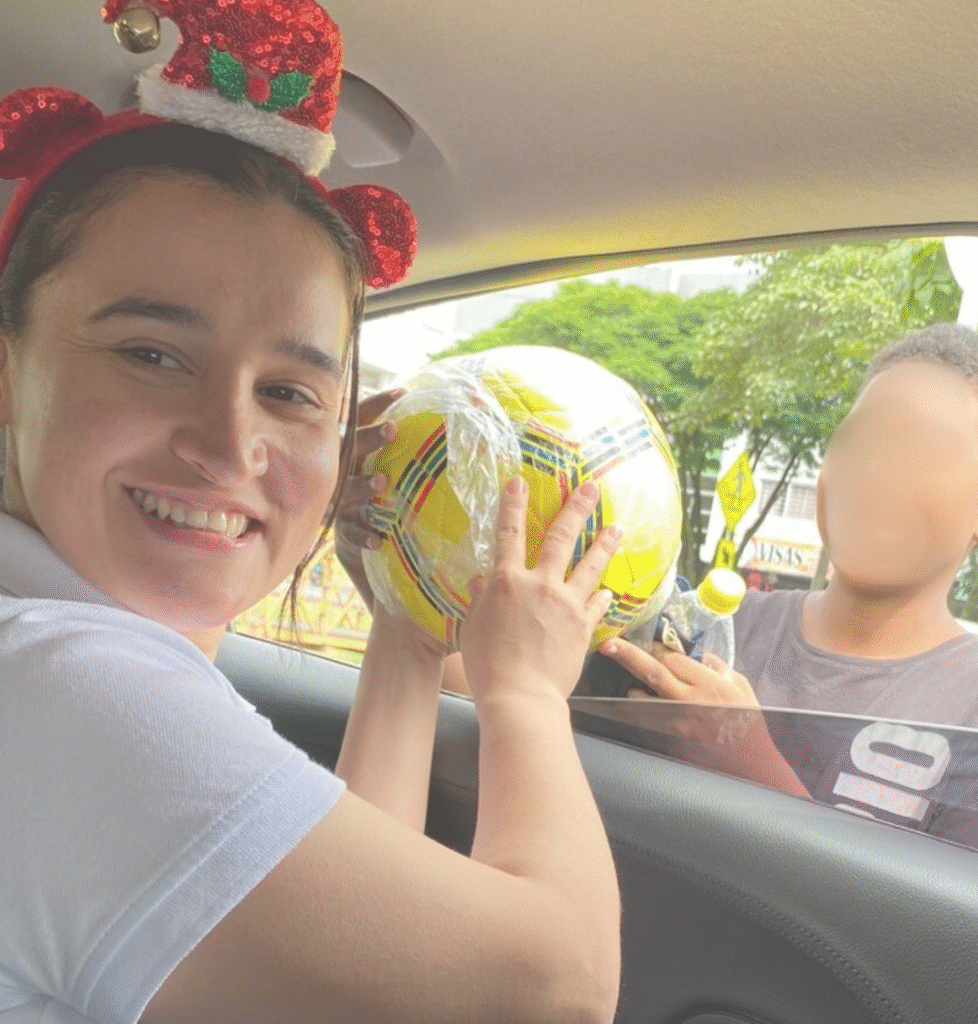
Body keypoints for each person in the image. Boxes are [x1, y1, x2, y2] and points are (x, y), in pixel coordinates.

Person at [0, 4, 622, 1023]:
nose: (230, 444)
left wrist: (407, 632)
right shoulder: (55, 685)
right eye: (152, 354)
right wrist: (525, 695)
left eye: (290, 392)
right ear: (8, 370)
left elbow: (341, 937)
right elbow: (554, 993)